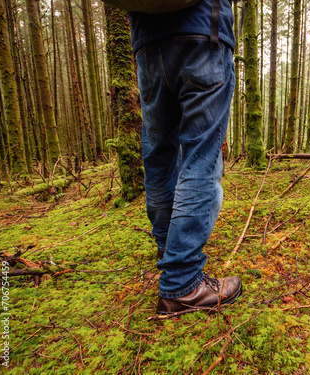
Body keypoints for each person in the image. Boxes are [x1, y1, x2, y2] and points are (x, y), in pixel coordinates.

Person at [128, 0, 242, 316]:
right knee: (201, 157)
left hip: (147, 41)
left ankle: (170, 253)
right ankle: (182, 282)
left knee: (159, 155)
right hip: (204, 31)